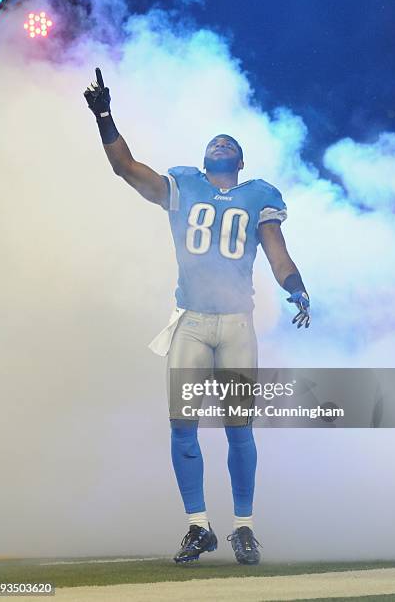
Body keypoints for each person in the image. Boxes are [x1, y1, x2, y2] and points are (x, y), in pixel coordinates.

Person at [84, 68, 310, 566]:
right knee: (182, 427)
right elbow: (127, 168)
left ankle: (245, 528)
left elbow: (278, 254)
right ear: (207, 158)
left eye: (229, 141)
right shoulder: (183, 184)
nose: (221, 140)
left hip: (234, 324)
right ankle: (197, 526)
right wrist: (104, 117)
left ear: (240, 161)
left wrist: (296, 287)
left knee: (238, 429)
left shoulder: (259, 195)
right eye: (216, 140)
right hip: (191, 320)